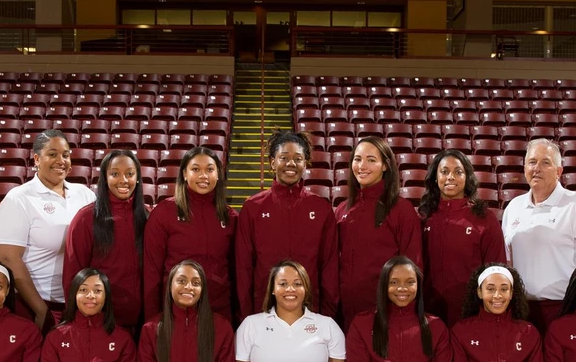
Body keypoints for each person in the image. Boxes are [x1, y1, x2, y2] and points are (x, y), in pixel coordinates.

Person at [502, 138, 576, 335]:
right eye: (532, 162)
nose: (537, 168)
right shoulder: (513, 207)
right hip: (520, 309)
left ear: (559, 171)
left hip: (563, 308)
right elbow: (507, 261)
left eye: (545, 162)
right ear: (524, 168)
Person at [0, 129, 95, 331]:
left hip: (78, 304)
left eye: (65, 155)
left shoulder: (85, 195)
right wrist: (40, 310)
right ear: (36, 159)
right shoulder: (19, 199)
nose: (61, 160)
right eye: (52, 154)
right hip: (35, 306)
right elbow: (8, 258)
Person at [236, 130, 338, 316]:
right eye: (284, 158)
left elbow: (329, 266)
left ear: (305, 164)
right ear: (272, 162)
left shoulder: (321, 208)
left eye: (298, 159)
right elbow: (243, 267)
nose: (291, 164)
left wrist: (327, 315)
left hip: (310, 310)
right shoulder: (252, 207)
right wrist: (246, 315)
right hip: (263, 310)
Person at [336, 136, 422, 329]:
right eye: (357, 159)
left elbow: (413, 265)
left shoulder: (401, 209)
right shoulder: (342, 210)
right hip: (346, 312)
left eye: (371, 160)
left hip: (386, 313)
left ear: (385, 165)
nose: (362, 166)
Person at [143, 146, 236, 321]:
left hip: (217, 310)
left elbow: (235, 270)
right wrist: (153, 319)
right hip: (173, 312)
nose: (203, 175)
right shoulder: (164, 213)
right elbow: (152, 271)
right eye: (196, 169)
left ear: (218, 174)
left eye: (210, 169)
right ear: (185, 174)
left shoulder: (230, 217)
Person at [63, 149, 149, 332]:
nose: (123, 180)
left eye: (130, 174)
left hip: (142, 322)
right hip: (101, 322)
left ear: (138, 178)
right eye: (115, 174)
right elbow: (73, 276)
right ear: (104, 178)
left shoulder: (148, 217)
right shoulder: (85, 219)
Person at [419, 149, 505, 326]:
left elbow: (496, 270)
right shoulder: (423, 218)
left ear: (467, 178)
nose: (450, 177)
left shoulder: (485, 218)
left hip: (471, 315)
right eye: (444, 172)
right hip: (428, 315)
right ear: (435, 177)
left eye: (458, 172)